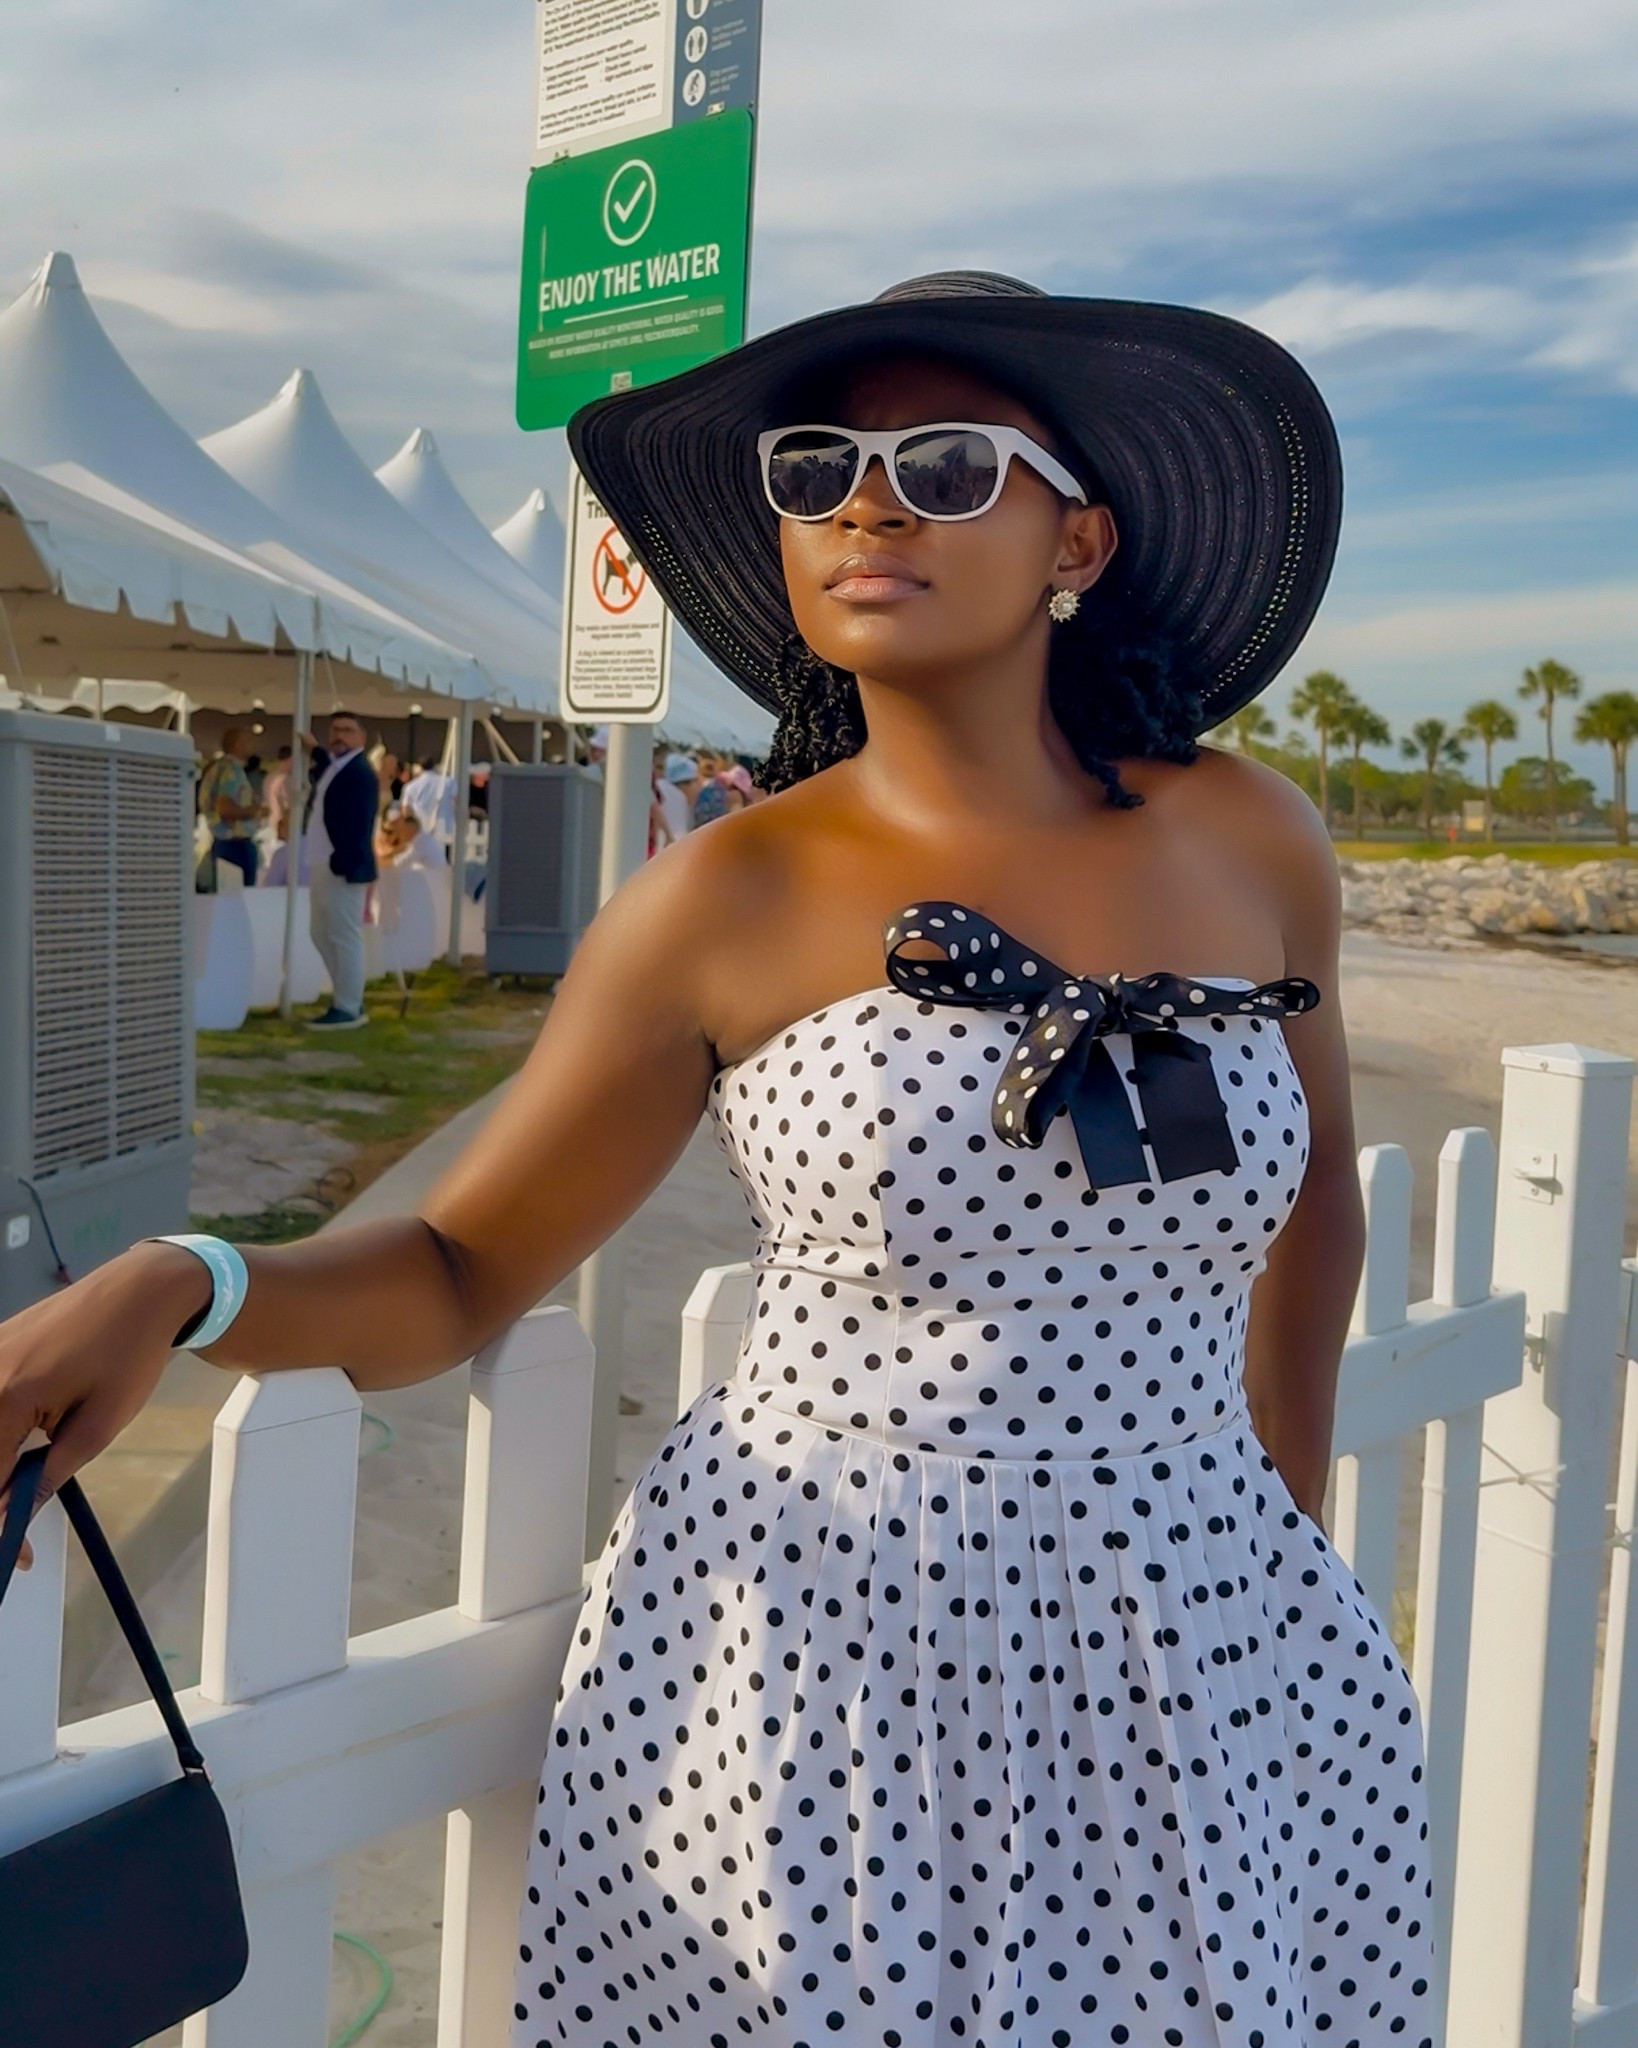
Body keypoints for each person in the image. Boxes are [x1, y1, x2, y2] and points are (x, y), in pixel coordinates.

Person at [0, 273, 1432, 2046]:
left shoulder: (1251, 835)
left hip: (1209, 1633)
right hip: (833, 1658)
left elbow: (1320, 1205)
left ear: (1079, 534)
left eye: (949, 464)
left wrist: (1272, 1539)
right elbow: (458, 1261)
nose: (865, 501)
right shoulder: (717, 901)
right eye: (818, 463)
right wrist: (187, 1278)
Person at [303, 708, 377, 1030]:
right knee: (320, 933)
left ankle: (348, 1006)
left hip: (341, 866)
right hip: (324, 864)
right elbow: (326, 767)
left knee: (344, 936)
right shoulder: (338, 766)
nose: (339, 735)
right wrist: (315, 749)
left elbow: (358, 823)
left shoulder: (359, 773)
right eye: (335, 730)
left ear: (361, 738)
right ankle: (345, 996)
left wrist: (341, 861)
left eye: (347, 730)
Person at [197, 725, 265, 887]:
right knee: (239, 898)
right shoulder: (230, 770)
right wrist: (254, 811)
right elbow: (225, 809)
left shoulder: (219, 768)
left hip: (224, 843)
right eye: (248, 740)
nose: (253, 744)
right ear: (237, 744)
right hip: (235, 844)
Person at [652, 750, 699, 845]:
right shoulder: (677, 797)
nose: (698, 788)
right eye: (695, 782)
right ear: (684, 783)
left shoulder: (659, 789)